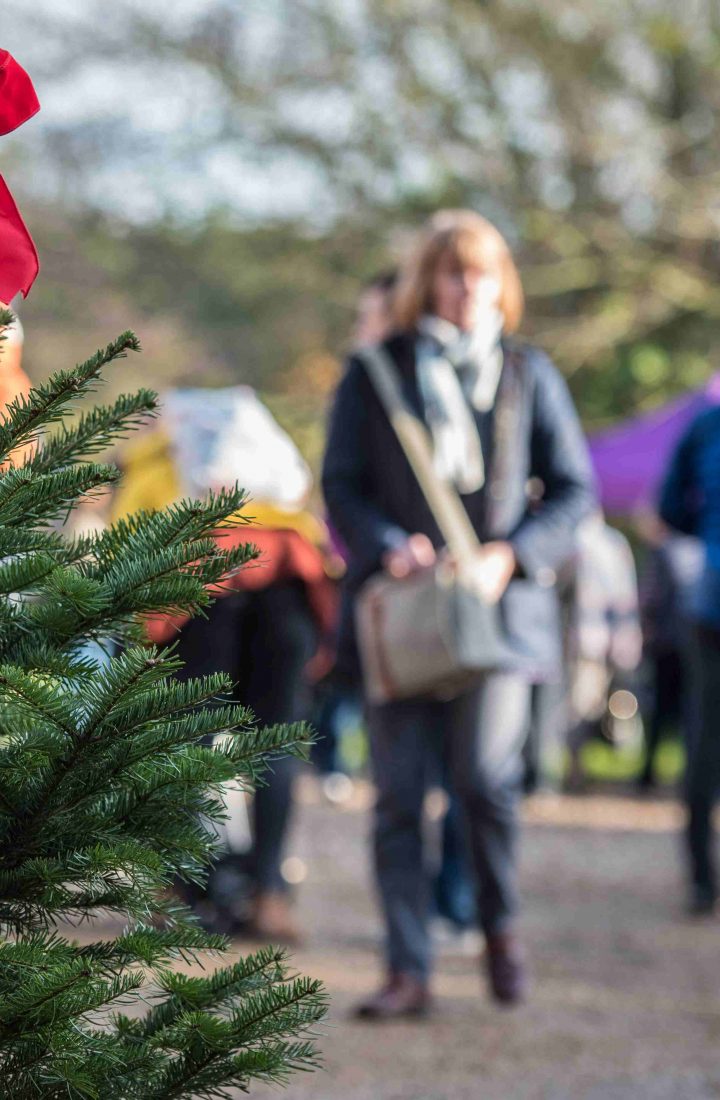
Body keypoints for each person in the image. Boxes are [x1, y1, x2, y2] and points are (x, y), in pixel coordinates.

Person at [322, 209, 596, 1016]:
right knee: (400, 796)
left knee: (485, 780)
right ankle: (409, 969)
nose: (469, 286)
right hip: (407, 614)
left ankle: (499, 926)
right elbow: (340, 486)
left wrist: (513, 556)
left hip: (501, 613)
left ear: (501, 283)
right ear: (426, 282)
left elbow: (576, 493)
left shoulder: (527, 372)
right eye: (453, 271)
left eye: (482, 272)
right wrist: (387, 544)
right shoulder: (376, 372)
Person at [115, 387, 336, 942]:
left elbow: (129, 551)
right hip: (285, 581)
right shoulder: (264, 464)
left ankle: (174, 893)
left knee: (186, 743)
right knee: (277, 743)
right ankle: (269, 895)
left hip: (201, 590)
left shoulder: (153, 461)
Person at [659, 405, 720, 914]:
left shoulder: (705, 425)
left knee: (704, 741)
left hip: (711, 601)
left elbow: (669, 508)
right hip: (710, 607)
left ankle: (702, 880)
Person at [635, 516, 704, 790]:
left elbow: (650, 598)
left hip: (665, 645)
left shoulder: (663, 552)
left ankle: (648, 772)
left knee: (659, 712)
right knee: (692, 711)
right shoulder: (700, 549)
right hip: (694, 644)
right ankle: (691, 774)